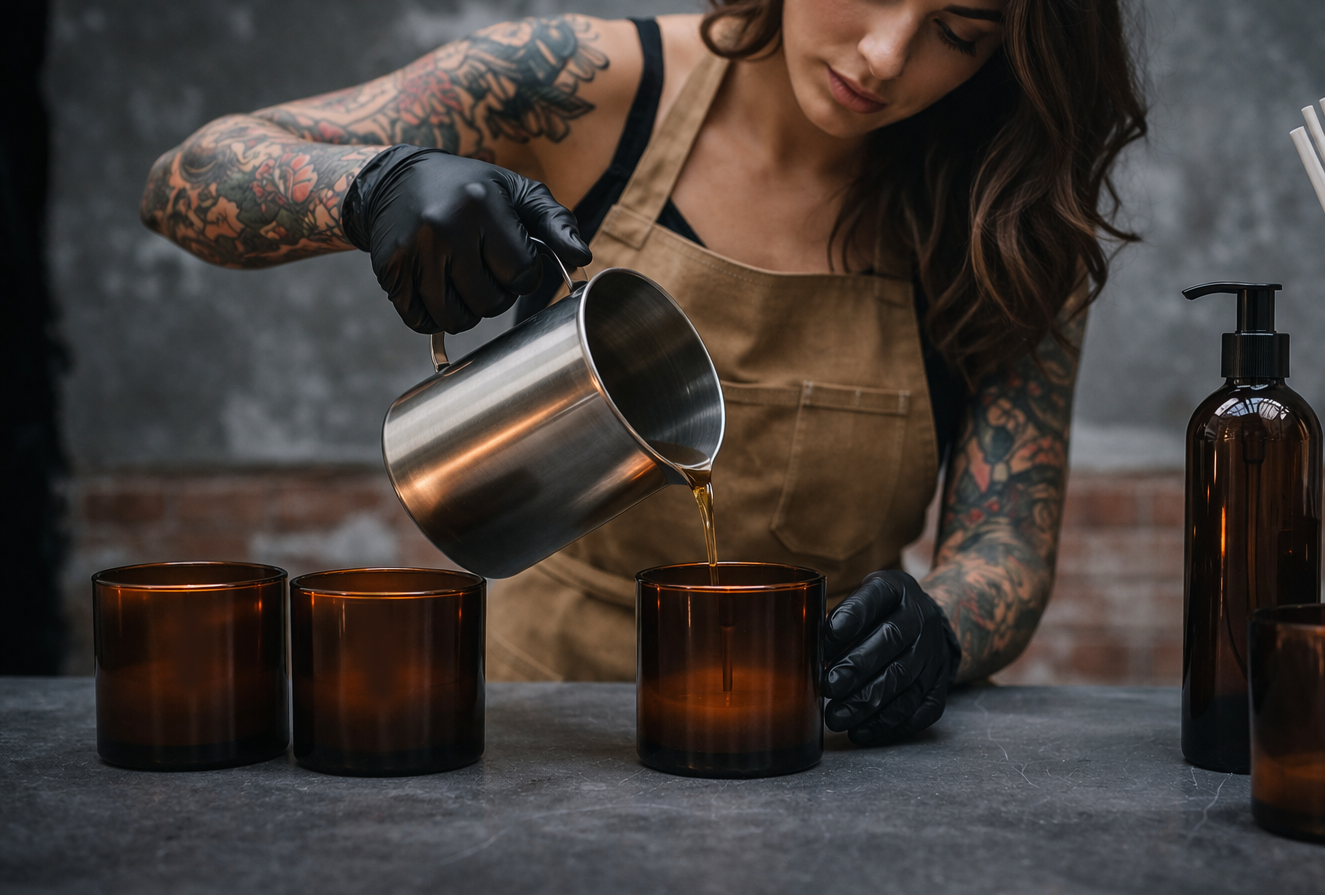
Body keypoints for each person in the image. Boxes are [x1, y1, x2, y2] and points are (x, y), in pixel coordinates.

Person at [140, 0, 1146, 745]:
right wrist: (372, 187)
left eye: (957, 33)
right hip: (525, 733)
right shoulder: (582, 86)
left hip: (802, 749)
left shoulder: (1009, 225)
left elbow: (1003, 545)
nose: (884, 55)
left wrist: (939, 630)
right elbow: (187, 178)